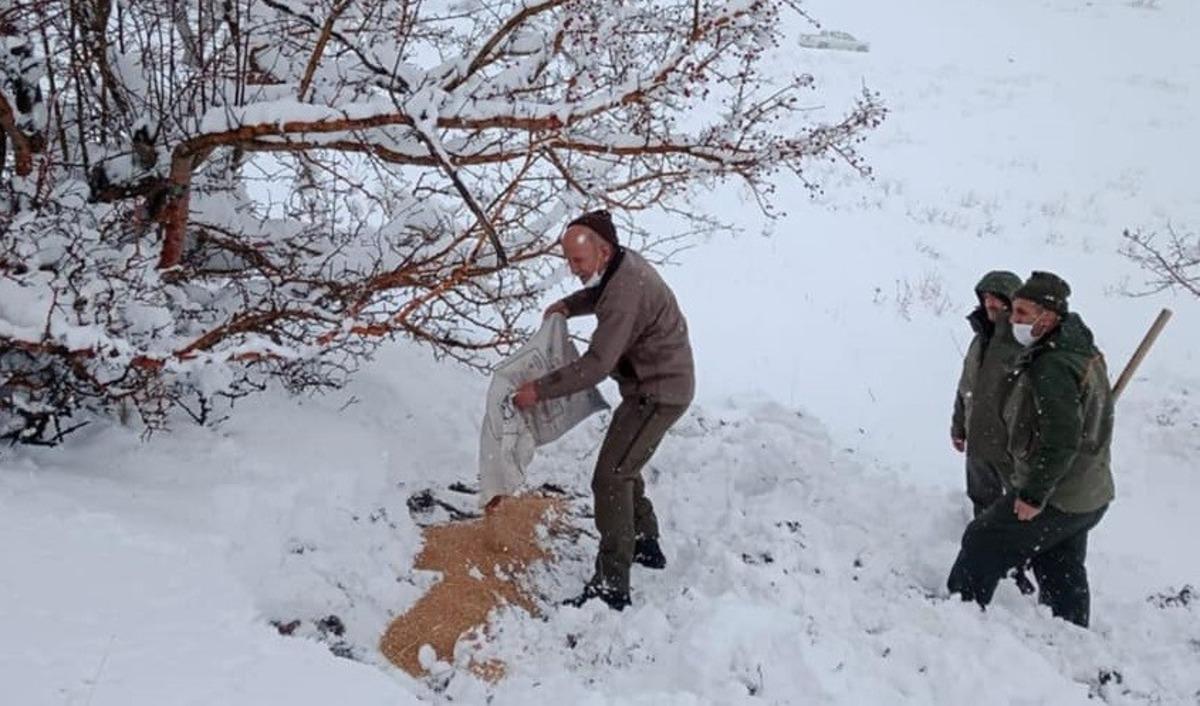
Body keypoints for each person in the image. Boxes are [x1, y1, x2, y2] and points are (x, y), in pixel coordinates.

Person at [513, 210, 695, 611]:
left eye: (577, 260)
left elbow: (597, 364)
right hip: (652, 386)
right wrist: (568, 304)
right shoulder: (620, 267)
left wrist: (539, 390)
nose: (572, 269)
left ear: (604, 251)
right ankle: (645, 543)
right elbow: (601, 292)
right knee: (625, 462)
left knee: (611, 477)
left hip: (659, 393)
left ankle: (612, 585)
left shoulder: (626, 290)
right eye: (568, 260)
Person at [946, 271, 1115, 627]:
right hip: (1089, 491)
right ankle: (1069, 634)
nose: (1014, 320)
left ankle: (957, 619)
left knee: (982, 539)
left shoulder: (1052, 366)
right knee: (1058, 562)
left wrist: (1033, 495)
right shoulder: (1080, 351)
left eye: (1022, 313)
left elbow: (1061, 438)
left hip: (1059, 493)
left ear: (1047, 317)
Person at [951, 270, 1023, 517]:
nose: (990, 303)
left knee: (1019, 503)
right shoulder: (980, 339)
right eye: (986, 297)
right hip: (978, 437)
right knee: (982, 498)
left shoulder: (1023, 344)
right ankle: (984, 532)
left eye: (998, 298)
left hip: (1009, 445)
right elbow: (966, 386)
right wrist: (959, 426)